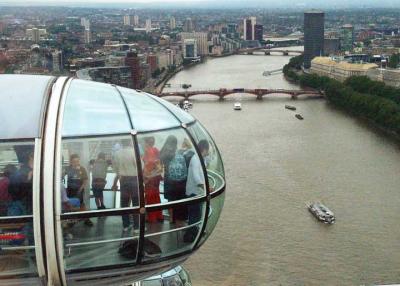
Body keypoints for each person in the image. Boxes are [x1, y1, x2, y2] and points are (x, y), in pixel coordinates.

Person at [184, 140, 209, 243]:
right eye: (208, 149)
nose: (209, 151)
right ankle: (190, 235)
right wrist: (206, 188)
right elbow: (196, 178)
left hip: (196, 192)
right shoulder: (196, 160)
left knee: (196, 215)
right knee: (194, 215)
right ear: (204, 149)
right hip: (193, 193)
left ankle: (194, 232)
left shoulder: (199, 159)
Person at [160, 135, 188, 224]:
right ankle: (179, 217)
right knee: (178, 199)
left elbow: (161, 162)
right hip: (179, 181)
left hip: (169, 179)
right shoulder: (176, 152)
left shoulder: (163, 151)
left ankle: (172, 218)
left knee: (170, 199)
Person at [112, 141, 139, 232]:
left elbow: (115, 167)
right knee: (136, 203)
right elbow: (139, 166)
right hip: (134, 179)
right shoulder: (134, 152)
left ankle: (126, 225)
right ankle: (136, 227)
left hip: (123, 180)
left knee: (124, 203)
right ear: (130, 142)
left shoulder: (117, 153)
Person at [65, 154, 93, 226]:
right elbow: (62, 176)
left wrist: (81, 189)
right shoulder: (68, 168)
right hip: (70, 190)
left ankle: (86, 219)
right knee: (70, 205)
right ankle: (71, 220)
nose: (76, 163)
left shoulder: (82, 169)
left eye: (77, 161)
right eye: (74, 161)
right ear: (71, 161)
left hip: (79, 190)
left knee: (81, 205)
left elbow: (85, 180)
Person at [142, 137, 163, 223]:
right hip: (157, 177)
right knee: (156, 195)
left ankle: (151, 217)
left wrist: (145, 177)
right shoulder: (156, 150)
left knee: (149, 196)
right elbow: (159, 163)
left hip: (150, 178)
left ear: (147, 143)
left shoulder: (148, 151)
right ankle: (159, 215)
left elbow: (148, 164)